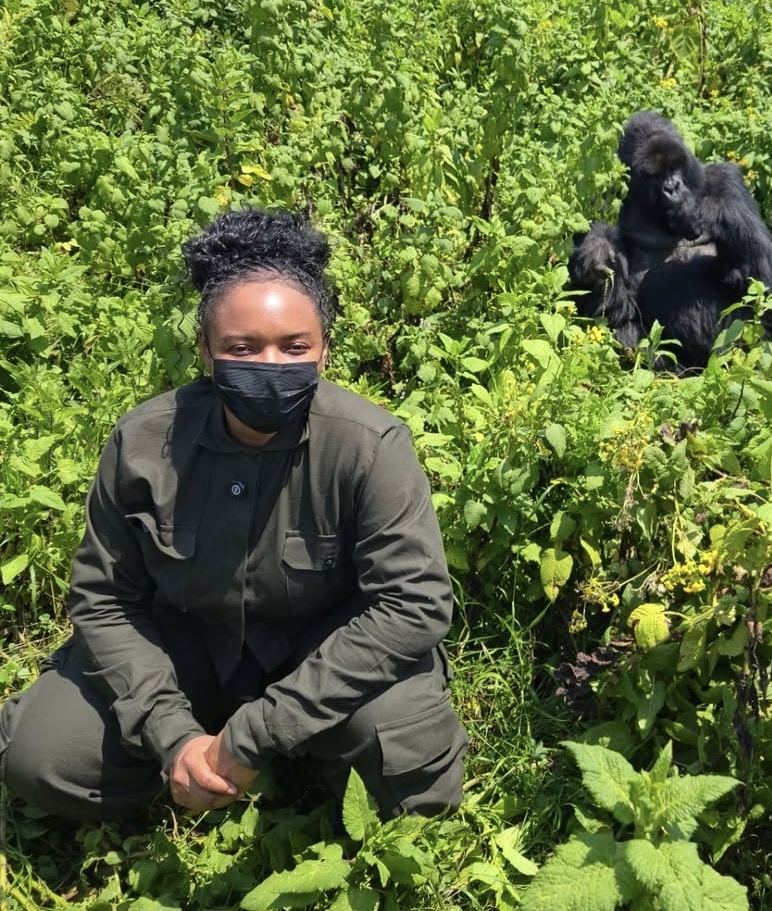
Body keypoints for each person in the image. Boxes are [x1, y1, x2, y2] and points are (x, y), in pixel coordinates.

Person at [0, 209, 467, 821]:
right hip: (188, 645)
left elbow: (413, 605)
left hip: (323, 651)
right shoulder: (143, 443)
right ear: (206, 350)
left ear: (323, 350)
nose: (270, 367)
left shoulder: (369, 445)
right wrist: (172, 735)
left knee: (413, 776)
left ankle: (284, 751)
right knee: (40, 758)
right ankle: (201, 768)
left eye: (293, 346)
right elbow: (106, 599)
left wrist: (257, 734)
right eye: (241, 348)